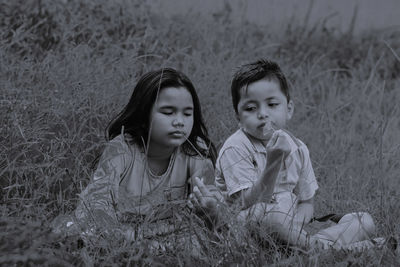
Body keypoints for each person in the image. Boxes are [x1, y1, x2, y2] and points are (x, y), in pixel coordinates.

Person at [215, 59, 381, 250]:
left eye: (272, 104)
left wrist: (294, 225)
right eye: (251, 108)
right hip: (250, 228)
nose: (262, 114)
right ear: (238, 117)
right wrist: (274, 161)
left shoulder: (298, 147)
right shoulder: (236, 147)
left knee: (364, 221)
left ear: (289, 109)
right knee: (270, 217)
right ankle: (339, 250)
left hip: (293, 226)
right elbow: (245, 206)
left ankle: (311, 247)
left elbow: (306, 204)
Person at [53, 68, 221, 245]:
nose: (179, 121)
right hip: (116, 231)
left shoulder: (194, 150)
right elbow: (97, 199)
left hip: (169, 233)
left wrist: (210, 208)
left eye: (187, 113)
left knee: (198, 240)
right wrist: (113, 235)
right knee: (71, 232)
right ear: (144, 116)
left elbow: (214, 205)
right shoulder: (122, 148)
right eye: (168, 112)